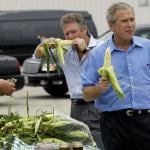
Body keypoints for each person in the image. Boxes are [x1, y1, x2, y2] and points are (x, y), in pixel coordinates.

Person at [81, 2, 150, 150]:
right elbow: (86, 94)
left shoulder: (147, 48)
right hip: (114, 124)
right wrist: (99, 88)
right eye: (124, 21)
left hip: (146, 121)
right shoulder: (97, 55)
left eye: (132, 20)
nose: (130, 25)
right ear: (111, 25)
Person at [33, 13, 104, 149]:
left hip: (96, 105)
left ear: (84, 29)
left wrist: (85, 51)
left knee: (98, 144)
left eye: (74, 32)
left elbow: (103, 68)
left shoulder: (101, 46)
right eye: (67, 34)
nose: (70, 37)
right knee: (79, 145)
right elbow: (37, 57)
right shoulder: (64, 49)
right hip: (75, 106)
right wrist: (45, 45)